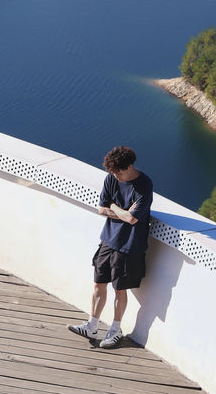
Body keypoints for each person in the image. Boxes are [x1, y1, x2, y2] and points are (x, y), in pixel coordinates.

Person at [68, 145, 153, 348]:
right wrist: (121, 210)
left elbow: (132, 219)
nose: (115, 176)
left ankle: (115, 330)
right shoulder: (111, 178)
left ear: (129, 166)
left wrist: (113, 205)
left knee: (119, 289)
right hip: (108, 239)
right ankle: (92, 325)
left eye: (118, 172)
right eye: (113, 172)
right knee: (99, 283)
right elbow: (101, 209)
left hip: (129, 245)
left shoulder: (144, 185)